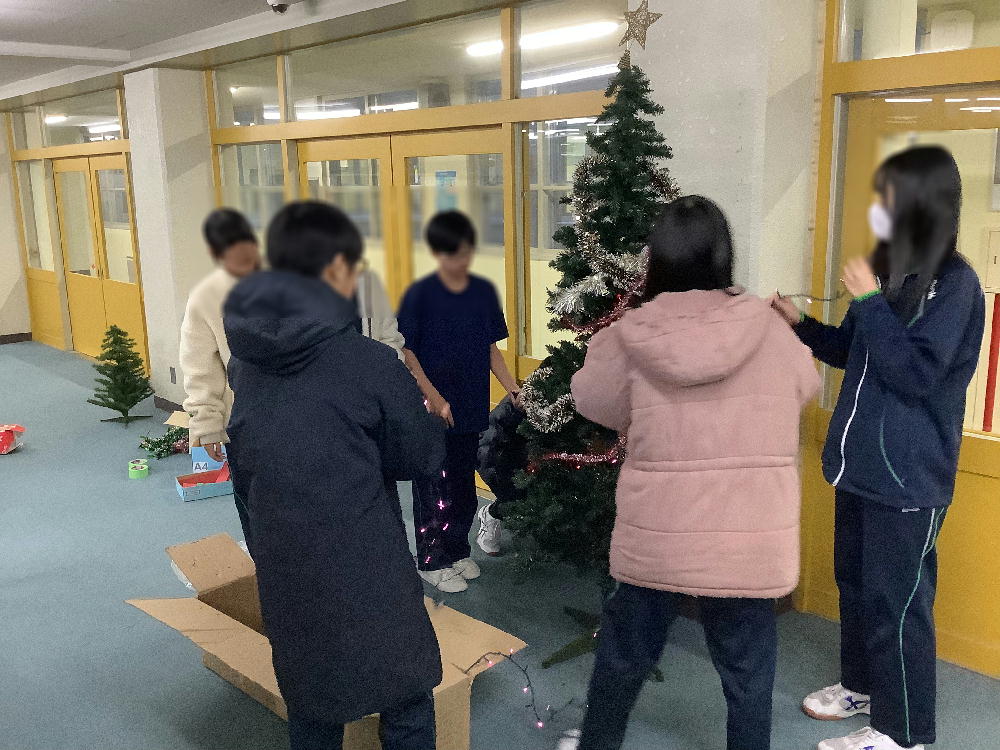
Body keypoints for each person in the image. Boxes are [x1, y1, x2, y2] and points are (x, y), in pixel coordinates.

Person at [563, 195, 819, 750]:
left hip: (659, 538)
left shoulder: (632, 335)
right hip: (748, 542)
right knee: (749, 679)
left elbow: (591, 401)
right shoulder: (770, 329)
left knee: (622, 662)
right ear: (725, 256)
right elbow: (807, 387)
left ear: (656, 258)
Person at [771, 146, 985, 750]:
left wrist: (867, 300)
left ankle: (903, 732)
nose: (882, 210)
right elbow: (853, 353)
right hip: (858, 468)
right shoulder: (891, 271)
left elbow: (916, 374)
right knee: (858, 589)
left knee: (899, 604)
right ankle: (862, 687)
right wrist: (800, 324)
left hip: (909, 477)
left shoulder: (956, 284)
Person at [223, 201, 447, 750]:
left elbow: (252, 457)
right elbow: (417, 458)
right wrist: (426, 419)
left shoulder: (246, 362)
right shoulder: (369, 362)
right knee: (405, 693)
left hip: (283, 554)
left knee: (312, 696)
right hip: (364, 553)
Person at [397, 210, 520, 593]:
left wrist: (513, 388)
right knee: (434, 485)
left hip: (470, 405)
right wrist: (434, 398)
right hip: (432, 411)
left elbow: (490, 348)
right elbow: (407, 352)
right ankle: (430, 560)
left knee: (464, 485)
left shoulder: (482, 292)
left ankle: (457, 551)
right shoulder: (419, 296)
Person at [180, 208, 260, 545]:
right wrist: (206, 425)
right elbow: (200, 367)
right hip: (243, 420)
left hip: (300, 416)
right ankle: (266, 563)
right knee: (253, 501)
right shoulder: (206, 296)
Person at [475, 394, 527, 556]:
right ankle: (492, 513)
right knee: (516, 489)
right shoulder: (520, 404)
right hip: (498, 458)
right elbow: (487, 451)